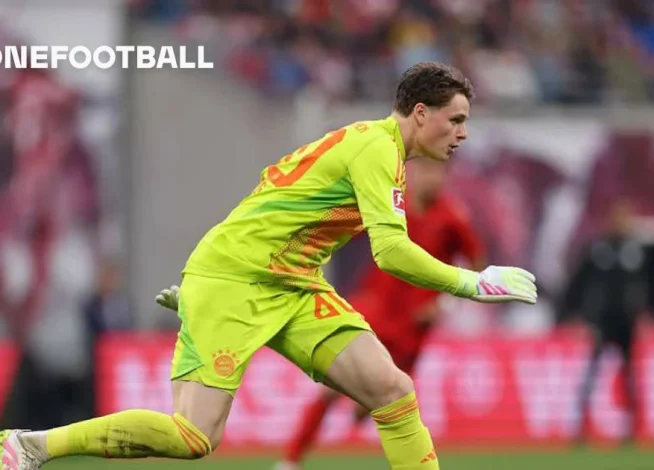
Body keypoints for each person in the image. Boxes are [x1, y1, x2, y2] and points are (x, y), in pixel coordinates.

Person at [0, 62, 537, 470]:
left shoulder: (374, 148)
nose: (463, 133)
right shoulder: (376, 149)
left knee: (392, 389)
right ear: (421, 113)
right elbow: (391, 252)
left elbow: (272, 199)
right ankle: (31, 446)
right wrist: (474, 283)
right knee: (194, 437)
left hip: (291, 283)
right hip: (236, 281)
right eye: (456, 119)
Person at [274, 158, 485, 469]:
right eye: (425, 170)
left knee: (387, 401)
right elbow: (348, 230)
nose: (431, 178)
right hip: (371, 312)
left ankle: (366, 415)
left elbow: (477, 265)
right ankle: (290, 462)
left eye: (438, 171)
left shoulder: (452, 218)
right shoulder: (392, 206)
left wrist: (445, 304)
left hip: (412, 330)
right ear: (412, 172)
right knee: (331, 389)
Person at [561, 198, 652, 444]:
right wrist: (577, 314)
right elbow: (579, 283)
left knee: (629, 376)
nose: (623, 223)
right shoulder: (597, 249)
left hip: (626, 321)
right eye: (619, 218)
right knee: (592, 374)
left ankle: (631, 430)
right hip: (601, 320)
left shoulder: (637, 251)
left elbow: (647, 284)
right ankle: (579, 429)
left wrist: (645, 312)